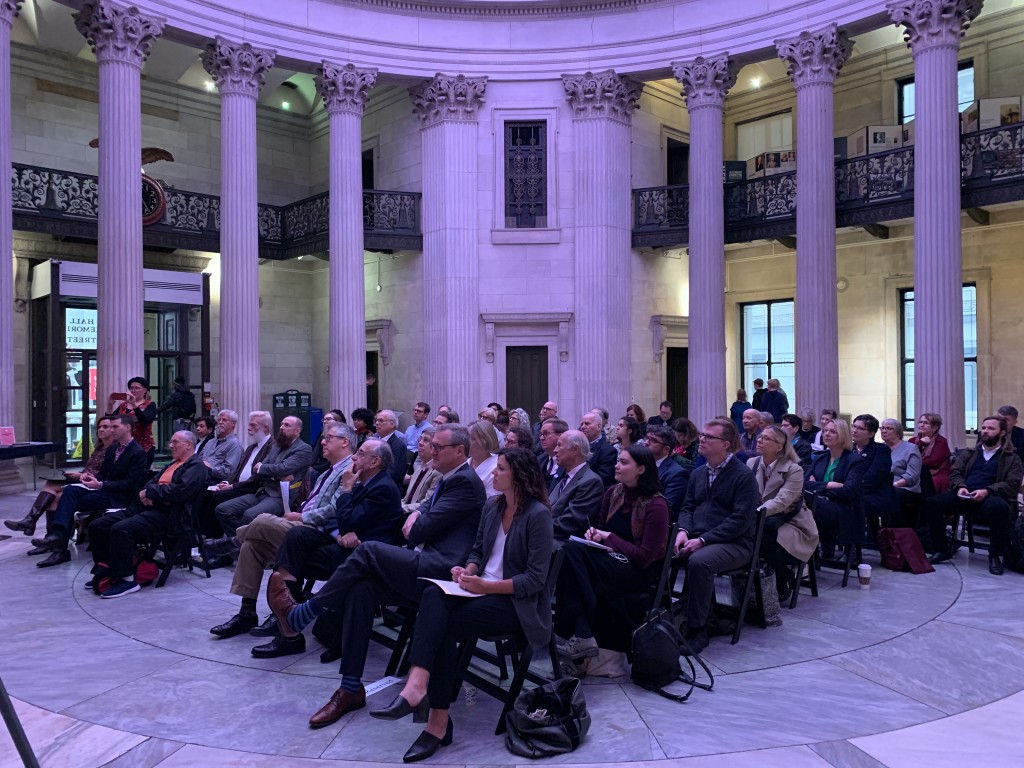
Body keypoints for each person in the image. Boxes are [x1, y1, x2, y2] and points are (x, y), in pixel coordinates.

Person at [268, 425, 485, 729]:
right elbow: (413, 516)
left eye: (437, 447)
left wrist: (415, 520)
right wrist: (415, 517)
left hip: (442, 570)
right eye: (431, 445)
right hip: (424, 560)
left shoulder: (464, 481)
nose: (430, 451)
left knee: (369, 550)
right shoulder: (449, 479)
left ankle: (306, 612)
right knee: (362, 588)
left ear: (459, 451)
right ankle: (351, 687)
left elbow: (419, 528)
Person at [367, 447, 554, 763]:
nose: (493, 473)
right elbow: (478, 551)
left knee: (443, 625)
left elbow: (534, 580)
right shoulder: (494, 506)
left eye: (501, 469)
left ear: (519, 477)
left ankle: (434, 717)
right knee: (432, 594)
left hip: (514, 604)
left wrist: (486, 585)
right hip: (479, 591)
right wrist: (467, 570)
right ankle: (420, 689)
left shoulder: (538, 515)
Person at [250, 438, 403, 658]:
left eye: (360, 454)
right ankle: (287, 619)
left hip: (361, 553)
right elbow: (335, 520)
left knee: (295, 549)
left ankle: (288, 625)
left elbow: (349, 521)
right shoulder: (366, 482)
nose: (354, 457)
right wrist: (339, 533)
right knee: (297, 535)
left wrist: (347, 490)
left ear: (374, 462)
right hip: (344, 543)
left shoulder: (382, 488)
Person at [208, 422, 358, 640]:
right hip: (302, 525)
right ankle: (246, 613)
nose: (323, 442)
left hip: (316, 532)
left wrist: (302, 516)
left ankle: (233, 541)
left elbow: (336, 509)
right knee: (252, 546)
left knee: (262, 520)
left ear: (345, 442)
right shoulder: (330, 469)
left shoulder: (349, 470)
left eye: (329, 437)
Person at [555, 444, 669, 661]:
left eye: (624, 462)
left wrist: (608, 537)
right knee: (571, 552)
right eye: (618, 460)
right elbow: (601, 527)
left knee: (572, 557)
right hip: (610, 559)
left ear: (641, 469)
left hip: (637, 570)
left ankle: (572, 633)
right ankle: (582, 633)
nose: (617, 465)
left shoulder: (656, 505)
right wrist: (594, 535)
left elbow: (644, 558)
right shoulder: (613, 493)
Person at [87, 430, 208, 598]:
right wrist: (149, 492)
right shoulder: (174, 463)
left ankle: (127, 580)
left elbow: (179, 492)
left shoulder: (196, 467)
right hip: (146, 508)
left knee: (121, 529)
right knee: (97, 526)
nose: (170, 446)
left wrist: (151, 493)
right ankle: (106, 570)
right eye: (170, 442)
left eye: (175, 442)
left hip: (169, 516)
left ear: (189, 445)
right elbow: (150, 482)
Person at [674, 418, 759, 654]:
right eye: (702, 435)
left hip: (734, 543)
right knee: (661, 550)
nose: (702, 439)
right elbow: (688, 507)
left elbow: (739, 521)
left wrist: (703, 540)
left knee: (700, 562)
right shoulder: (699, 473)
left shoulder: (743, 476)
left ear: (726, 444)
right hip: (699, 536)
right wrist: (683, 531)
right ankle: (667, 617)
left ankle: (698, 629)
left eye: (710, 437)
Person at [32, 414, 149, 568]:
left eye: (115, 427)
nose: (112, 430)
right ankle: (57, 538)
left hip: (119, 497)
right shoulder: (113, 448)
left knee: (66, 500)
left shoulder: (137, 452)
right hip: (104, 492)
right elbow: (103, 475)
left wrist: (100, 484)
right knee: (69, 493)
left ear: (127, 428)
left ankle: (59, 545)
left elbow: (130, 485)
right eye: (111, 426)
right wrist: (89, 479)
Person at [926, 415, 1024, 575]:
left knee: (1000, 508)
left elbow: (1012, 483)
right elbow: (955, 472)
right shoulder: (970, 453)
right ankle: (941, 549)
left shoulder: (1012, 457)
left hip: (991, 497)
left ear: (1002, 433)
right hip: (965, 495)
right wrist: (960, 487)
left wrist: (988, 490)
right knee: (932, 503)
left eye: (991, 428)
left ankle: (995, 555)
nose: (985, 431)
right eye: (984, 428)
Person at [7, 415, 113, 539]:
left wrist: (80, 475)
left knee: (57, 495)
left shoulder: (113, 450)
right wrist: (79, 474)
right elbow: (89, 468)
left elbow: (104, 474)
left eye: (105, 427)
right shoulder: (99, 448)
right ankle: (39, 529)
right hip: (84, 478)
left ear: (113, 430)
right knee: (51, 485)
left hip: (93, 484)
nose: (101, 429)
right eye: (99, 427)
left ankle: (35, 525)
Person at [748, 425, 818, 602]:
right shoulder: (752, 463)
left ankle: (782, 574)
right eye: (760, 436)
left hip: (792, 521)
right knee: (750, 531)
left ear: (779, 446)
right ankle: (765, 578)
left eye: (765, 438)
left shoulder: (794, 469)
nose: (759, 440)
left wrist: (755, 513)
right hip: (763, 519)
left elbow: (783, 500)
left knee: (760, 533)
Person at [804, 418, 865, 561]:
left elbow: (848, 491)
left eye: (832, 431)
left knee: (807, 504)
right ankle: (809, 556)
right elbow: (804, 484)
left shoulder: (854, 460)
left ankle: (808, 556)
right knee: (802, 502)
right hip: (820, 504)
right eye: (825, 431)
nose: (826, 434)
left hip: (843, 509)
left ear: (843, 435)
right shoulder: (819, 458)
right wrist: (828, 485)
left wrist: (816, 486)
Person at [549, 430, 604, 540]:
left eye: (559, 445)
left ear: (575, 449)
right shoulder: (563, 477)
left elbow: (570, 523)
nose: (555, 450)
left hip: (563, 543)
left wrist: (535, 527)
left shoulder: (591, 481)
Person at [851, 414, 896, 536]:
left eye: (860, 428)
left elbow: (873, 477)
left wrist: (851, 488)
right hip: (851, 491)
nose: (854, 430)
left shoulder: (881, 450)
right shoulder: (848, 449)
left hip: (875, 493)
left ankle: (853, 546)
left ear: (871, 434)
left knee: (850, 503)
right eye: (853, 426)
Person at [880, 418, 922, 527]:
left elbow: (911, 476)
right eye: (882, 428)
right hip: (883, 487)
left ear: (898, 432)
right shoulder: (880, 449)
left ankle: (891, 535)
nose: (884, 431)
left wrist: (893, 485)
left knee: (890, 495)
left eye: (888, 428)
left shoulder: (911, 448)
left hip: (906, 489)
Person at [107, 376, 157, 465]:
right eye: (131, 388)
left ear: (145, 390)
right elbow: (110, 421)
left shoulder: (150, 404)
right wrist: (110, 405)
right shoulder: (124, 405)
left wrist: (134, 405)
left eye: (137, 388)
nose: (133, 391)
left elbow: (145, 420)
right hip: (124, 445)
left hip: (144, 446)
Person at [646, 425, 687, 517]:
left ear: (666, 449)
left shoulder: (677, 475)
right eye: (647, 438)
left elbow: (667, 510)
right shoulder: (640, 465)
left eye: (653, 440)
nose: (646, 443)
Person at [910, 412, 952, 495]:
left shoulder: (941, 441)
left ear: (935, 427)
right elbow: (907, 457)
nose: (921, 425)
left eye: (925, 423)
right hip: (915, 471)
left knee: (928, 483)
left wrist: (914, 462)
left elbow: (933, 461)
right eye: (920, 422)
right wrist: (920, 443)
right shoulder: (912, 440)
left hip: (936, 473)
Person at [403, 427, 442, 515]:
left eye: (426, 440)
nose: (420, 443)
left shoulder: (439, 471)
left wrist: (399, 508)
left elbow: (426, 504)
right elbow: (406, 499)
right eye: (420, 439)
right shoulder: (419, 468)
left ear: (436, 447)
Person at [201, 409, 244, 483]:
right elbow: (199, 459)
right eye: (219, 420)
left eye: (224, 420)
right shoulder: (210, 442)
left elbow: (228, 472)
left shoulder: (235, 445)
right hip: (200, 476)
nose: (220, 422)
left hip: (216, 481)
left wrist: (209, 468)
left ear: (233, 423)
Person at [580, 411, 617, 487]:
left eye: (587, 424)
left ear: (599, 427)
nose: (583, 427)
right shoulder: (577, 446)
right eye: (582, 424)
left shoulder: (608, 451)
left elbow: (603, 478)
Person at [373, 410, 409, 488]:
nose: (376, 423)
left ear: (392, 424)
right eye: (376, 420)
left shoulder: (398, 445)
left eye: (381, 420)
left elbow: (393, 473)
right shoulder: (373, 440)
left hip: (386, 488)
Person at [468, 419, 500, 497]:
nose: (466, 441)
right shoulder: (467, 462)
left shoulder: (496, 467)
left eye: (472, 438)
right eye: (466, 436)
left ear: (485, 441)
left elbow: (490, 503)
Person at [310, 410, 346, 477]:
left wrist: (313, 468)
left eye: (328, 419)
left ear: (337, 421)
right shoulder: (322, 434)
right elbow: (314, 454)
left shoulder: (342, 436)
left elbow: (331, 461)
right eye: (324, 419)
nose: (325, 421)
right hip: (320, 466)